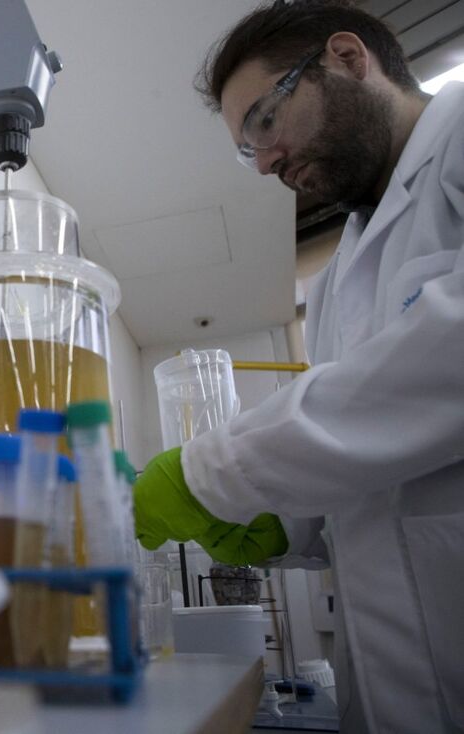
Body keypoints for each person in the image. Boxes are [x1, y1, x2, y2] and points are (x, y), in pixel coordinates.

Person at [131, 1, 464, 731]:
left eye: (264, 121)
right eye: (249, 149)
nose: (267, 160)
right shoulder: (339, 281)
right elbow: (379, 461)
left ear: (347, 57)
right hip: (392, 689)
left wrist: (211, 470)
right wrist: (284, 522)